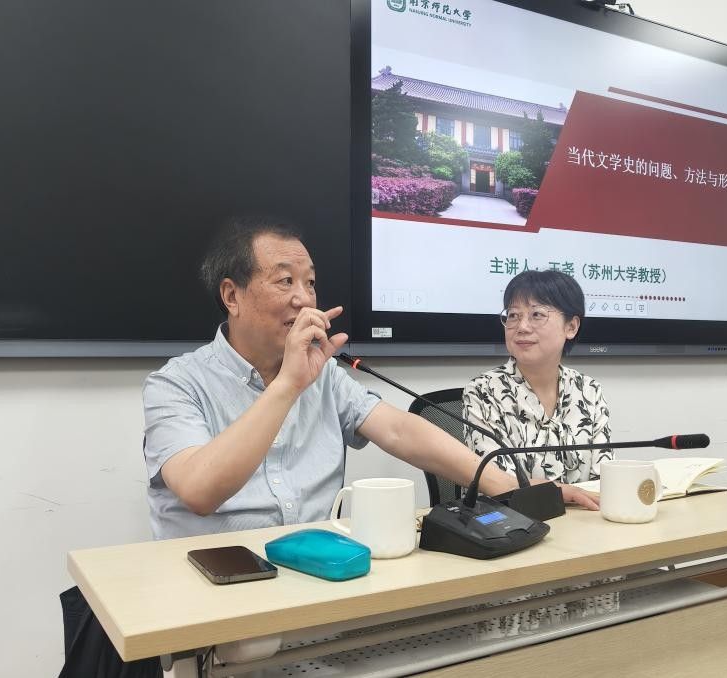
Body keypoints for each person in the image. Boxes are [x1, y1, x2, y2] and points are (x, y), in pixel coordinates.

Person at [142, 217, 531, 539]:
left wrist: (511, 489)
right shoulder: (176, 384)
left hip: (320, 572)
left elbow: (399, 431)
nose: (305, 299)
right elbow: (199, 491)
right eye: (285, 281)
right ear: (232, 296)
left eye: (310, 282)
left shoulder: (325, 375)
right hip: (215, 583)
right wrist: (288, 385)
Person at [463, 270, 612, 510]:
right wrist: (562, 493)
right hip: (516, 523)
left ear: (571, 326)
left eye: (537, 315)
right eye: (513, 315)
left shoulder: (589, 390)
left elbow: (602, 479)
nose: (521, 326)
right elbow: (499, 487)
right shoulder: (483, 391)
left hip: (586, 520)